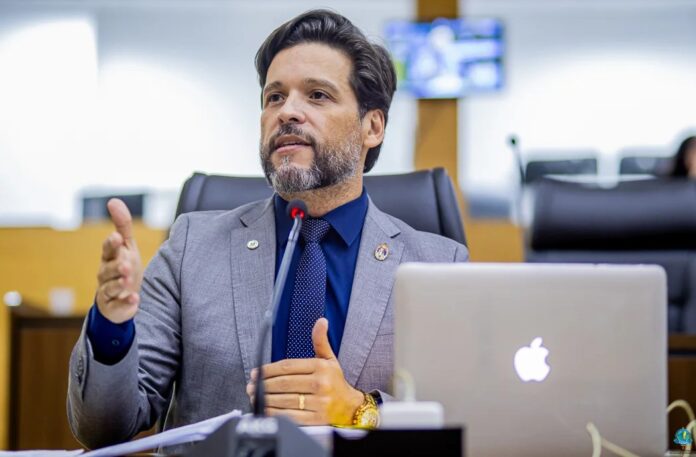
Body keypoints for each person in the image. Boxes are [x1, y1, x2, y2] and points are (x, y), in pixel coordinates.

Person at [67, 9, 468, 449]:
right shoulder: (190, 248)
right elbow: (103, 428)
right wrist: (112, 324)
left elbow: (465, 418)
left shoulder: (439, 265)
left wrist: (360, 410)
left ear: (372, 126)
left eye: (317, 95)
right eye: (274, 97)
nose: (287, 112)